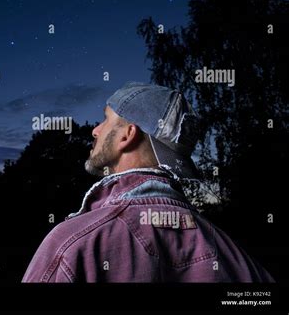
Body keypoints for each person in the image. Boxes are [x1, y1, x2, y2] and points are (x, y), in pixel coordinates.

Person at [22, 82, 274, 282]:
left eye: (106, 119)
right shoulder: (237, 258)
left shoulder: (73, 245)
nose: (95, 130)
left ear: (127, 135)